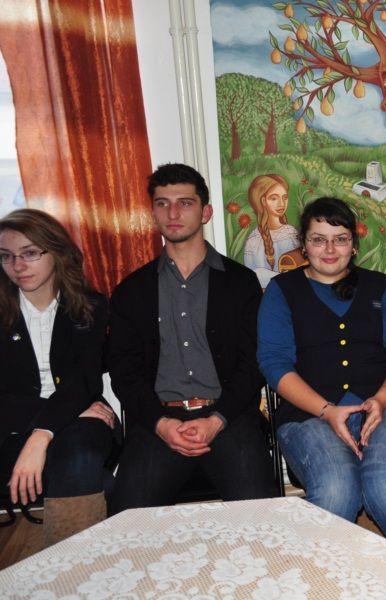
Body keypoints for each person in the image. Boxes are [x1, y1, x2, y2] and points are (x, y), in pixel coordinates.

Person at [258, 197, 386, 554]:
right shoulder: (282, 291)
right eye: (318, 239)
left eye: (340, 239)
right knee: (336, 488)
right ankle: (317, 578)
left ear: (353, 245)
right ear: (303, 245)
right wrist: (326, 410)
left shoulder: (380, 287)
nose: (329, 249)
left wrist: (382, 400)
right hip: (309, 415)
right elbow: (275, 365)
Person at [108, 163, 276, 512]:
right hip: (158, 421)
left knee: (262, 518)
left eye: (185, 203)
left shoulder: (240, 283)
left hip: (228, 418)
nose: (173, 213)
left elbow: (254, 363)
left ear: (205, 212)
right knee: (126, 521)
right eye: (162, 203)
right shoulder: (131, 291)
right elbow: (124, 372)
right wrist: (161, 424)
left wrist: (216, 420)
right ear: (152, 213)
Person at [0, 209, 117, 546]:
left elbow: (84, 381)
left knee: (79, 452)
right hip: (14, 428)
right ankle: (81, 559)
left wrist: (41, 434)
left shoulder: (90, 306)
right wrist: (55, 419)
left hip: (83, 423)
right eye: (6, 256)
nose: (17, 265)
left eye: (29, 253)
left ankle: (70, 562)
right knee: (91, 476)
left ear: (58, 252)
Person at [242, 174, 300, 285]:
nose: (281, 203)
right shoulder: (254, 240)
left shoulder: (291, 234)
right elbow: (251, 279)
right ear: (263, 201)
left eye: (285, 197)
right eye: (274, 198)